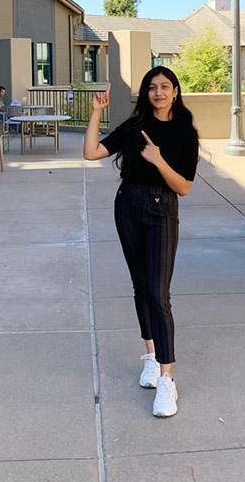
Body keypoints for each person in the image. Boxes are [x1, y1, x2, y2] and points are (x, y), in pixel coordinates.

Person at [83, 67, 199, 418]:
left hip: (163, 211)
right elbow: (91, 153)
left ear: (176, 92)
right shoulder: (136, 127)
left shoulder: (184, 133)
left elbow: (184, 186)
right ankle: (151, 355)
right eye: (152, 87)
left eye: (165, 87)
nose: (158, 93)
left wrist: (159, 160)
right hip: (128, 206)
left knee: (158, 293)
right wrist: (96, 113)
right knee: (140, 286)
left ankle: (167, 379)